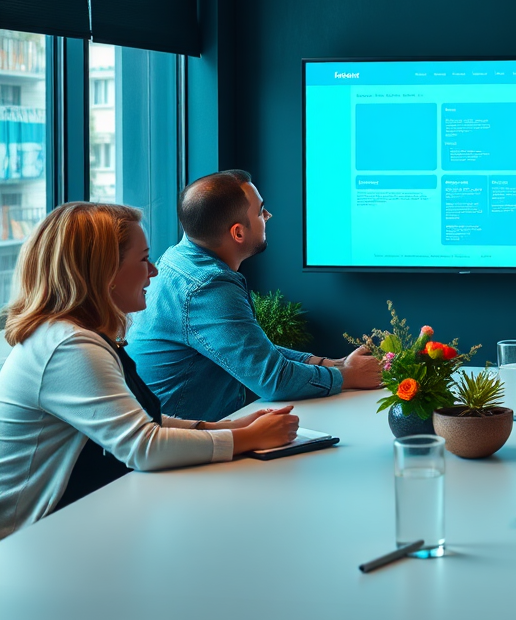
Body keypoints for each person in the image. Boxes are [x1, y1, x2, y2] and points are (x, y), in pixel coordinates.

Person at [0, 202, 300, 540]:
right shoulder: (68, 347)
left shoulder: (72, 335)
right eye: (143, 259)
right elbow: (144, 446)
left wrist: (225, 427)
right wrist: (250, 438)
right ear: (105, 273)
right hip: (26, 545)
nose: (154, 271)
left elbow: (135, 419)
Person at [131, 170, 381, 421]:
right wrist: (347, 376)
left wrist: (331, 364)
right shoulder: (208, 287)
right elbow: (274, 380)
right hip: (184, 440)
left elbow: (249, 349)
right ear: (238, 233)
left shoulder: (178, 259)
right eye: (261, 211)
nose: (268, 215)